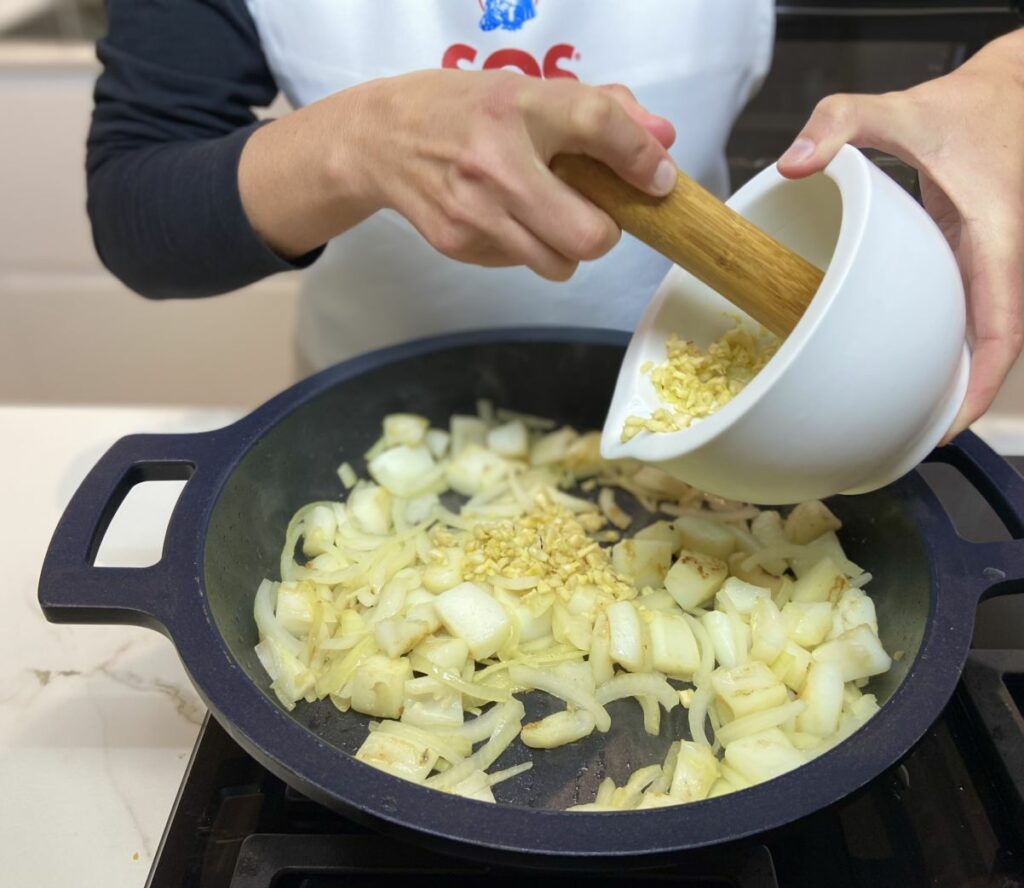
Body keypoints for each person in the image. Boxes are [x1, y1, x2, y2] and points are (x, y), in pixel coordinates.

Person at [86, 2, 1024, 437]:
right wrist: (354, 140)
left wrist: (1006, 81)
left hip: (718, 421)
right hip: (368, 430)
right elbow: (136, 205)